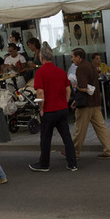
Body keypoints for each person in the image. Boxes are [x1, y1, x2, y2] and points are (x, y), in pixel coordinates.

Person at [29, 44, 78, 172]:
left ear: (41, 57)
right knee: (66, 137)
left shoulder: (40, 72)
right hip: (62, 109)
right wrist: (65, 102)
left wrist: (41, 107)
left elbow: (40, 93)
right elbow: (68, 89)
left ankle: (44, 164)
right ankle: (72, 163)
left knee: (45, 138)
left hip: (49, 110)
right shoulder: (61, 71)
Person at [71, 47, 110, 161]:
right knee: (101, 127)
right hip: (95, 101)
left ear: (78, 57)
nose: (72, 59)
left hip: (86, 103)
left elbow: (83, 87)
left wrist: (75, 86)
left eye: (73, 57)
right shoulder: (90, 65)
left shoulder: (80, 68)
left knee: (79, 128)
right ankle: (109, 150)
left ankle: (74, 151)